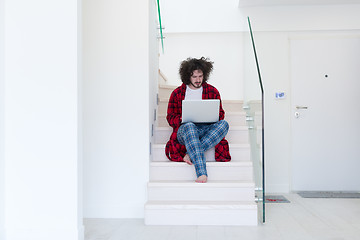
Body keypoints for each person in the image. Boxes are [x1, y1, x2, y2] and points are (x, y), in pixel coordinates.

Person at [165, 57, 231, 183]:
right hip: (185, 131)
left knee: (224, 124)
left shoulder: (212, 91)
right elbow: (170, 117)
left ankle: (190, 154)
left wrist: (213, 116)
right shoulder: (177, 93)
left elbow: (221, 114)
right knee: (190, 126)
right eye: (194, 77)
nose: (198, 80)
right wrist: (182, 118)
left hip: (206, 129)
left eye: (200, 76)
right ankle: (201, 173)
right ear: (187, 76)